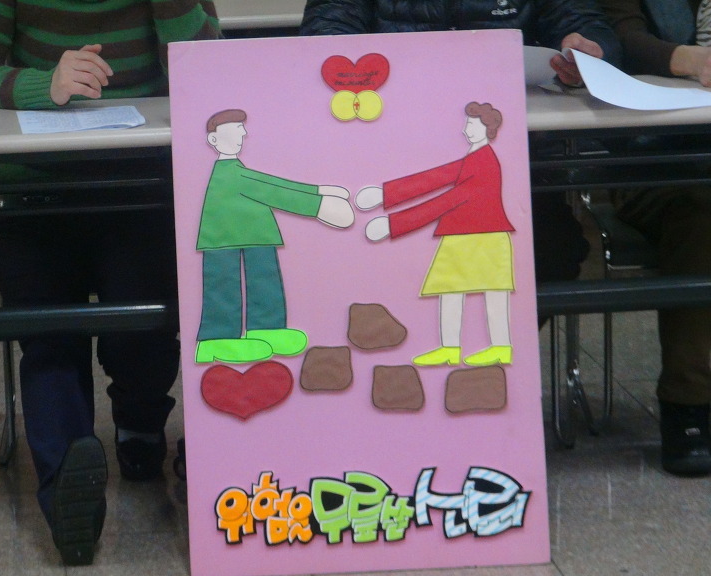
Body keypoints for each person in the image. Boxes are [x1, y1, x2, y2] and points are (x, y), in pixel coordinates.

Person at [0, 0, 220, 565]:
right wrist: (42, 84)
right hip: (37, 192)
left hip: (141, 190)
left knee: (143, 325)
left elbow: (209, 73)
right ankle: (67, 485)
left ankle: (139, 427)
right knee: (50, 333)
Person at [300, 0, 622, 295]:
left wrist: (588, 53)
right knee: (365, 260)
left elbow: (586, 26)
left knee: (550, 253)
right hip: (388, 147)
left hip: (510, 157)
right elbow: (326, 33)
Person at [594, 0, 711, 476]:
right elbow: (620, 39)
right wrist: (691, 59)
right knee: (702, 209)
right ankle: (689, 403)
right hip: (658, 160)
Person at [359, 103, 516, 368]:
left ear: (487, 129)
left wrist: (395, 223)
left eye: (472, 125)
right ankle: (451, 348)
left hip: (484, 236)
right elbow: (437, 177)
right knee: (451, 289)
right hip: (463, 235)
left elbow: (447, 200)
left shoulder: (484, 161)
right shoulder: (474, 157)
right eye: (467, 124)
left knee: (492, 291)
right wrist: (386, 195)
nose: (466, 130)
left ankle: (499, 346)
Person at [196, 109, 354, 364]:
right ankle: (217, 339)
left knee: (265, 280)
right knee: (223, 285)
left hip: (259, 235)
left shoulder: (239, 170)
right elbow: (269, 190)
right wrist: (318, 205)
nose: (243, 134)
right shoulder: (230, 173)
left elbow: (270, 182)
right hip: (221, 238)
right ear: (213, 140)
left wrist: (318, 189)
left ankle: (267, 329)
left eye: (242, 129)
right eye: (236, 129)